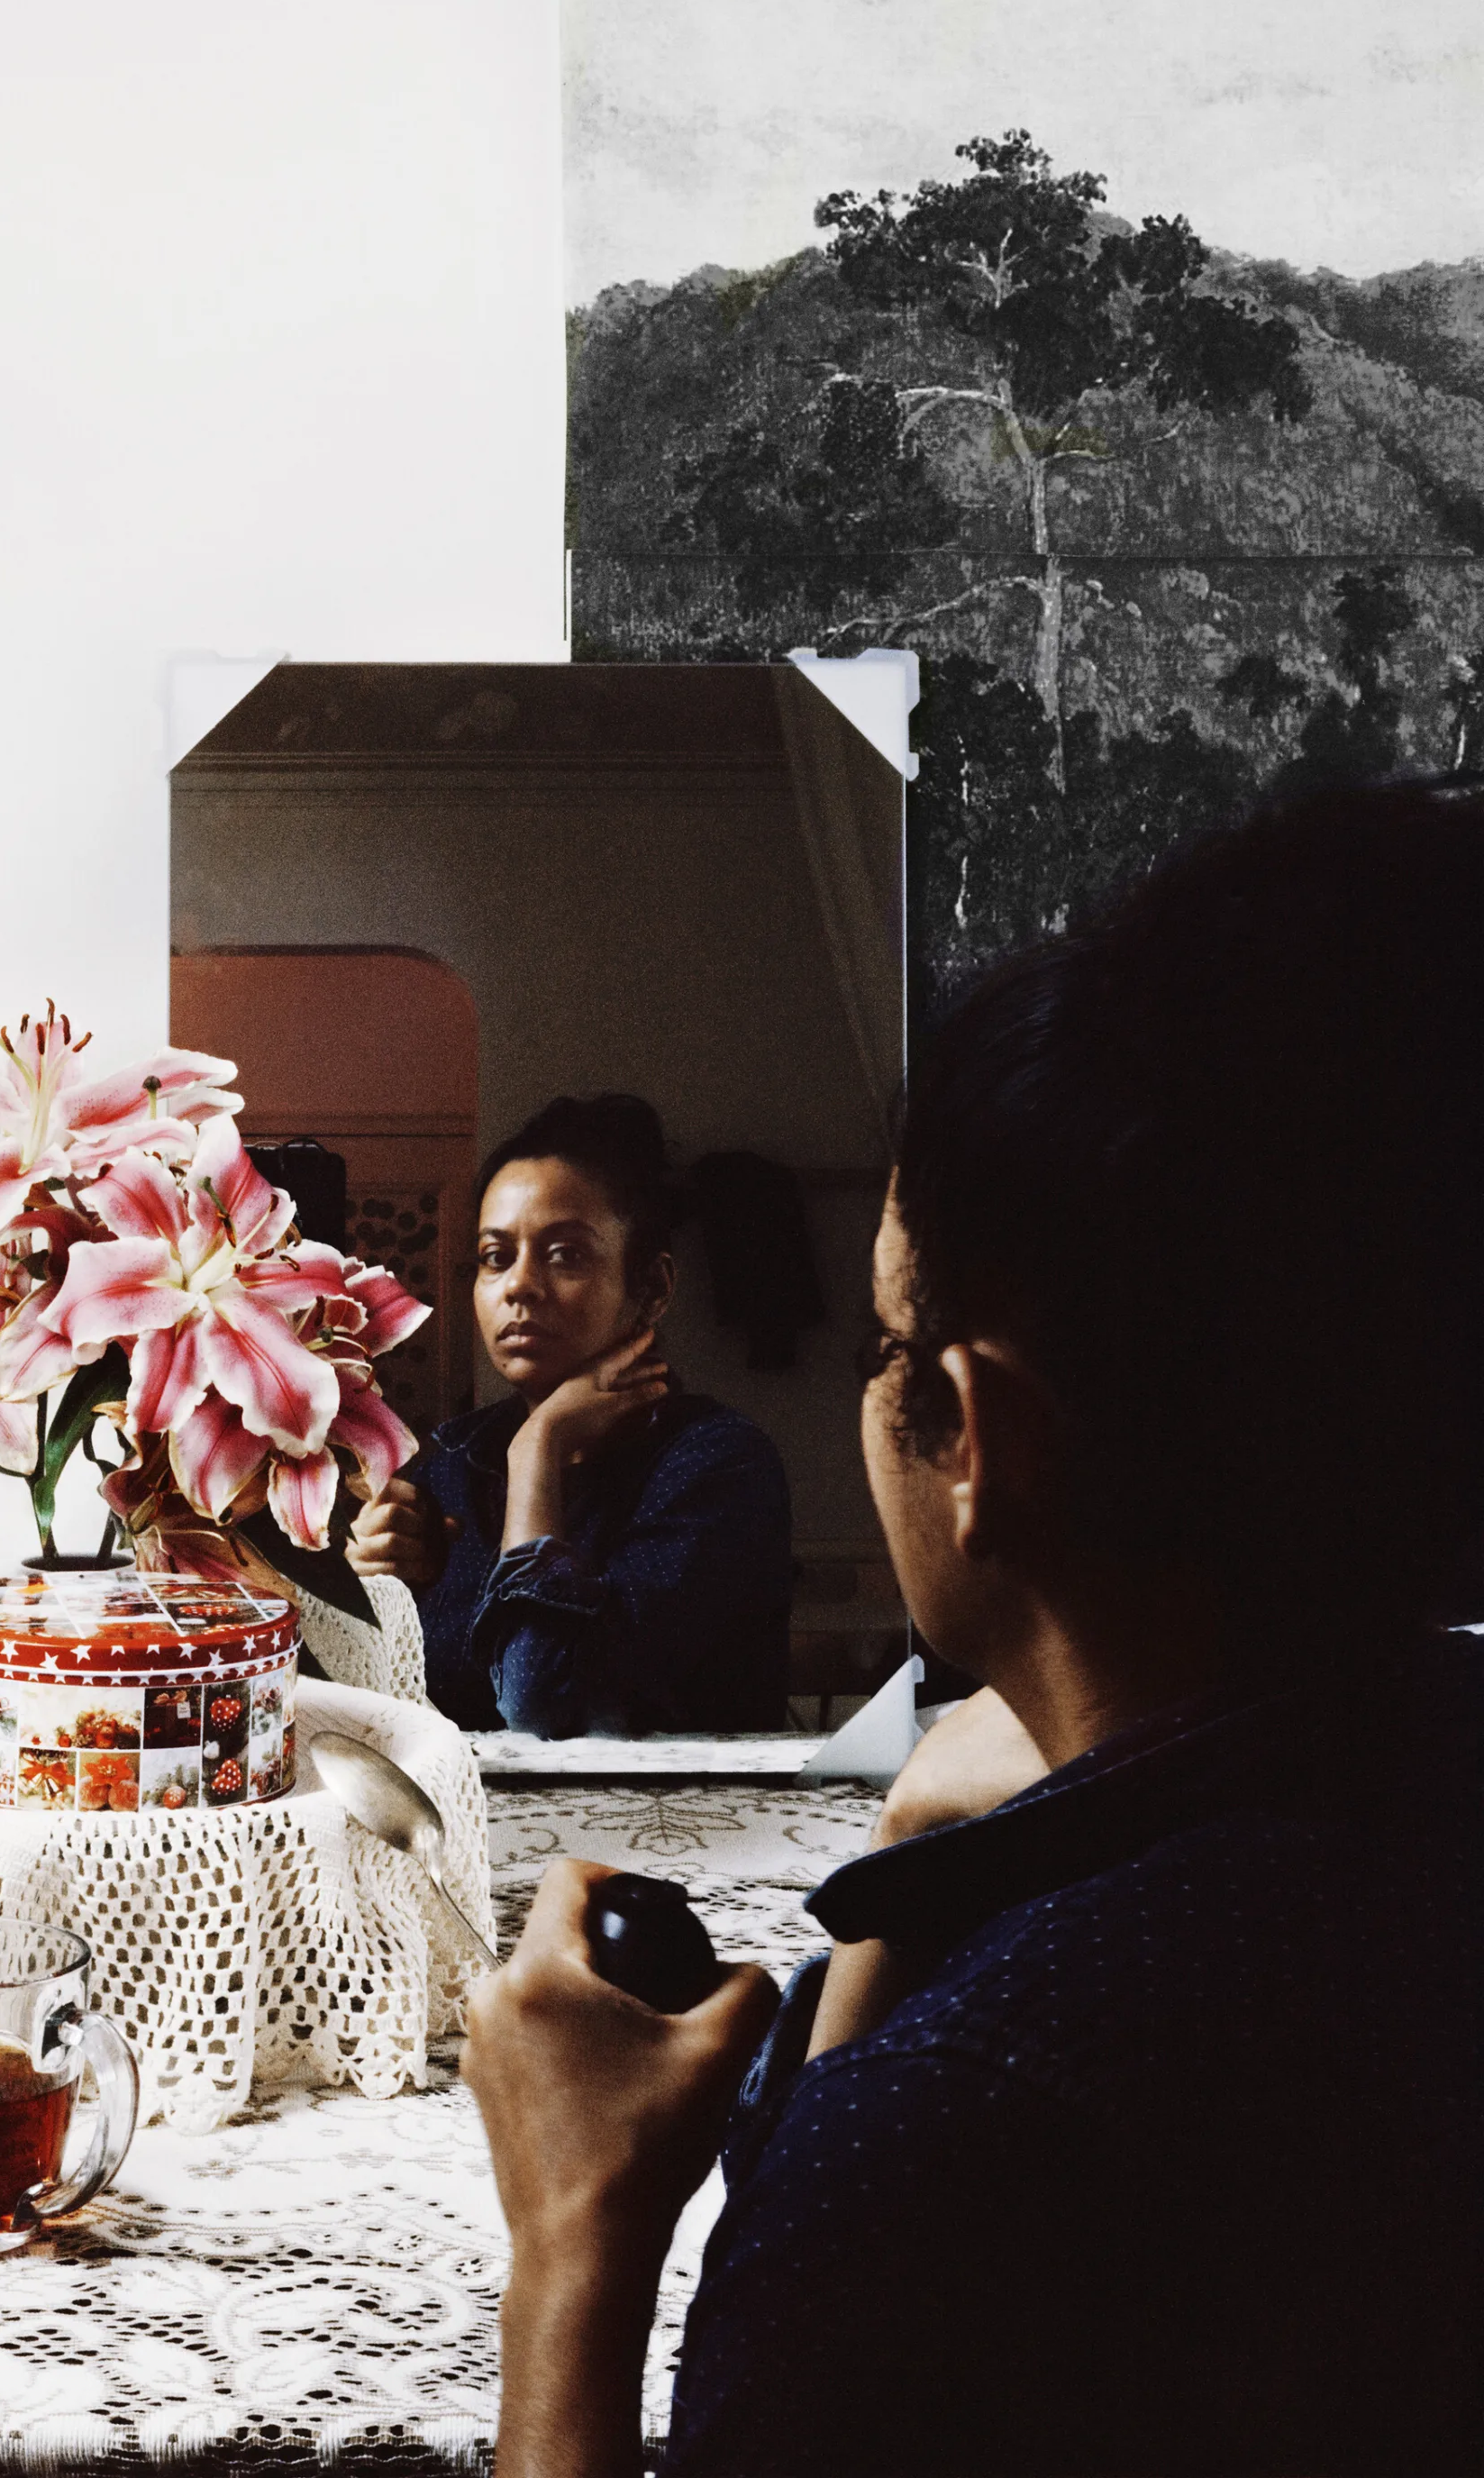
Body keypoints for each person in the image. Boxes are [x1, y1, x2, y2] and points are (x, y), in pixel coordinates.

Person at [461, 781, 1484, 2476]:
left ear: (970, 1437)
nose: (515, 1287)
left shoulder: (970, 2141)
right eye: (493, 1254)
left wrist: (574, 2247)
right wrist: (924, 1873)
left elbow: (874, 2228)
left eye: (878, 1352)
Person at [346, 1094, 793, 1736]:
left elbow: (542, 1706)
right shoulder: (450, 1462)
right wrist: (373, 1590)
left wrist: (539, 1450)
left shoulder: (718, 1466)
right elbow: (380, 1721)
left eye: (565, 1256)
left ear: (654, 1287)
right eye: (495, 1257)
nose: (518, 1287)